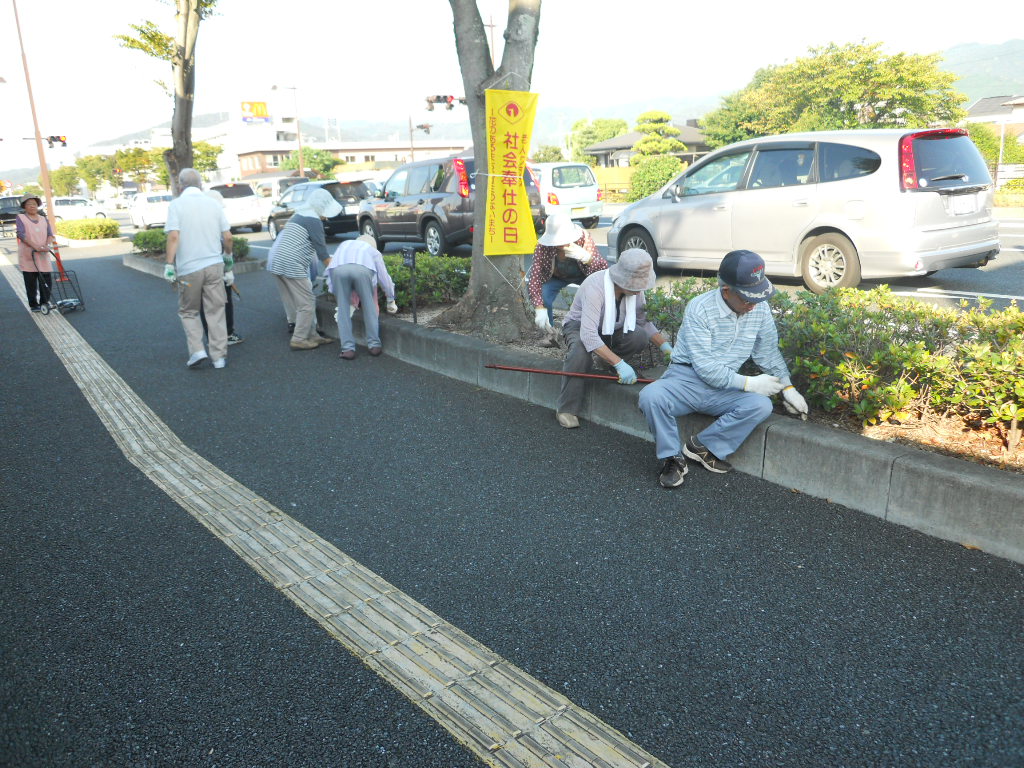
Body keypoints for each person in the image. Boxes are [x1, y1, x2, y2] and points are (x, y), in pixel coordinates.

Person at [638, 249, 809, 489]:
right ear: (726, 290)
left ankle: (703, 447)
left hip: (726, 385)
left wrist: (787, 386)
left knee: (760, 405)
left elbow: (767, 351)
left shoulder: (759, 308)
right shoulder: (700, 308)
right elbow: (706, 367)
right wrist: (750, 383)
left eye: (758, 296)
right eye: (747, 298)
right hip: (687, 379)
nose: (753, 304)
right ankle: (672, 458)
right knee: (651, 396)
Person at [555, 248, 673, 429]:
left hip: (613, 328)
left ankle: (608, 365)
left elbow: (643, 323)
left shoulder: (635, 292)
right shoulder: (595, 287)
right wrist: (620, 363)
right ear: (622, 280)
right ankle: (567, 408)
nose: (640, 289)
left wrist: (666, 348)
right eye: (636, 284)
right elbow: (588, 335)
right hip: (580, 326)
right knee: (580, 350)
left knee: (638, 336)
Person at [163, 168, 233, 370]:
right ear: (201, 184)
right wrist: (227, 257)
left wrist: (169, 264)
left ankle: (197, 351)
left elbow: (174, 236)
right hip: (214, 266)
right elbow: (228, 237)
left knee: (188, 311)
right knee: (216, 311)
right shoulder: (213, 204)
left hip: (189, 269)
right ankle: (219, 358)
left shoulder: (176, 205)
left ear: (180, 184)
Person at [266, 188, 342, 350]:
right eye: (326, 213)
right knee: (306, 303)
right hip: (291, 263)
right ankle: (299, 338)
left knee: (298, 301)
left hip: (277, 261)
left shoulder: (299, 214)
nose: (326, 217)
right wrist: (339, 273)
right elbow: (323, 253)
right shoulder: (313, 220)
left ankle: (313, 335)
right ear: (321, 207)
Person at [527, 212, 607, 335]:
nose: (562, 243)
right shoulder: (542, 247)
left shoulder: (583, 238)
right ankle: (550, 332)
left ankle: (593, 329)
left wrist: (587, 258)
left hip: (582, 275)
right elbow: (535, 276)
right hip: (556, 277)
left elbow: (603, 269)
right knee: (544, 296)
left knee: (594, 295)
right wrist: (538, 307)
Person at [325, 234, 398, 359]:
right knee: (369, 307)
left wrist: (337, 293)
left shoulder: (344, 244)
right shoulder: (372, 251)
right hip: (362, 270)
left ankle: (347, 349)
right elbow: (384, 278)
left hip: (338, 270)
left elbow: (331, 269)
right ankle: (374, 345)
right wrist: (391, 298)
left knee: (343, 311)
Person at [199, 189, 243, 345]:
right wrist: (228, 262)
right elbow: (228, 238)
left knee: (204, 305)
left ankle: (211, 337)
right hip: (216, 266)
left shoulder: (195, 218)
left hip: (196, 268)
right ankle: (228, 334)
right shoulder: (216, 217)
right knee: (223, 300)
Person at [15, 195, 57, 312]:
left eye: (34, 203)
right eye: (29, 204)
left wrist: (46, 245)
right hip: (29, 255)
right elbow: (21, 234)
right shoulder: (21, 217)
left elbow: (50, 234)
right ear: (24, 207)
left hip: (43, 254)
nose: (32, 206)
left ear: (38, 205)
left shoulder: (43, 218)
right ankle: (34, 305)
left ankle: (44, 303)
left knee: (46, 279)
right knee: (31, 282)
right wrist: (35, 246)